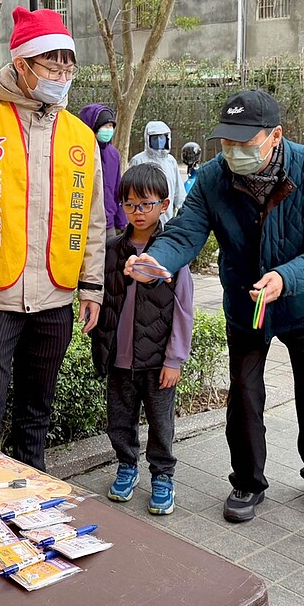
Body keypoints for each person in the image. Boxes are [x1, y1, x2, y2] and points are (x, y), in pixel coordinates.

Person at [125, 89, 304, 523]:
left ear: (275, 136)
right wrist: (160, 259)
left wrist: (286, 277)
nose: (234, 152)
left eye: (245, 143)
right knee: (245, 394)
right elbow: (186, 232)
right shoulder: (213, 177)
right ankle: (247, 482)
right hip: (246, 302)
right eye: (227, 142)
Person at [0, 6, 105, 471]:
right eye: (52, 65)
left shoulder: (80, 136)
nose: (62, 75)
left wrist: (92, 288)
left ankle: (32, 509)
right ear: (21, 66)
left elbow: (92, 219)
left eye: (68, 65)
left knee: (36, 418)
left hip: (54, 299)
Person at [91, 164, 195, 516]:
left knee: (160, 422)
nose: (137, 211)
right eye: (130, 204)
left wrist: (174, 359)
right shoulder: (110, 250)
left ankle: (163, 475)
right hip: (118, 359)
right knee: (119, 418)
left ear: (164, 205)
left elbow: (184, 309)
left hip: (157, 362)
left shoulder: (173, 255)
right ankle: (126, 465)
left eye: (146, 204)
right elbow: (101, 299)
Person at [80, 104, 127, 240]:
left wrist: (121, 219)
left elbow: (117, 188)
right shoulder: (80, 153)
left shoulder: (113, 154)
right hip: (84, 222)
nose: (109, 130)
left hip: (108, 223)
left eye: (111, 126)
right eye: (105, 126)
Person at [130, 120, 186, 221]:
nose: (159, 140)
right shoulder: (138, 160)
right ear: (148, 139)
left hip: (167, 219)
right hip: (144, 217)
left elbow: (179, 192)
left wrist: (185, 214)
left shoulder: (171, 161)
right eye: (155, 137)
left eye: (162, 137)